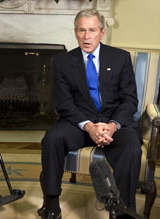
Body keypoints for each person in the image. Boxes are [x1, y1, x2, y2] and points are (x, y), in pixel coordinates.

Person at [39, 9, 142, 219]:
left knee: (131, 146)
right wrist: (88, 126)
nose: (87, 36)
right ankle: (51, 202)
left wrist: (112, 125)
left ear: (102, 32)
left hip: (114, 123)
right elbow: (64, 102)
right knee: (52, 139)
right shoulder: (62, 62)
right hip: (79, 122)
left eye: (92, 30)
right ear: (75, 33)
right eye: (82, 30)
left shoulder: (121, 58)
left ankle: (122, 210)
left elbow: (129, 100)